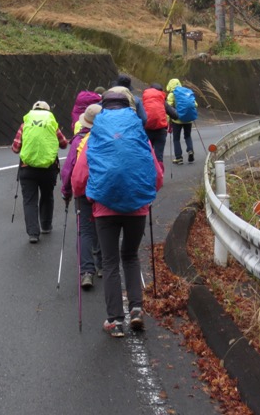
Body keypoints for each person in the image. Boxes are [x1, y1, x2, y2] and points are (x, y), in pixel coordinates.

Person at [71, 90, 164, 337]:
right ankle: (136, 309)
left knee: (110, 262)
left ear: (103, 108)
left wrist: (81, 195)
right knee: (131, 257)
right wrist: (146, 194)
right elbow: (157, 174)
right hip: (137, 208)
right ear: (129, 108)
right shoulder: (138, 134)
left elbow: (79, 177)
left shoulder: (95, 136)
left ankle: (115, 321)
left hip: (104, 208)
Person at [11, 101, 69, 243]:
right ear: (48, 111)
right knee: (47, 196)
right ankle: (46, 226)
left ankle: (33, 233)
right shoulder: (51, 123)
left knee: (29, 200)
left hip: (27, 168)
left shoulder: (26, 123)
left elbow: (16, 147)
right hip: (48, 169)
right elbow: (64, 144)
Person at [60, 103, 103, 289]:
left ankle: (87, 271)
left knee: (84, 230)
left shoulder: (78, 140)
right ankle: (103, 266)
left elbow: (69, 169)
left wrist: (66, 192)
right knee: (102, 227)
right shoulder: (109, 138)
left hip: (83, 189)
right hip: (104, 190)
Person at [167, 78, 196, 165]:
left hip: (177, 120)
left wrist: (168, 121)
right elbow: (195, 104)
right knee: (187, 136)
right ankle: (190, 150)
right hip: (188, 119)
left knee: (176, 139)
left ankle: (179, 158)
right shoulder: (186, 92)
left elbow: (168, 108)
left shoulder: (172, 95)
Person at [141, 83, 170, 168]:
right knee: (158, 155)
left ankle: (146, 173)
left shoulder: (145, 99)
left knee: (147, 152)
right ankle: (159, 175)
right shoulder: (162, 100)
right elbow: (172, 112)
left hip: (147, 129)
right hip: (160, 130)